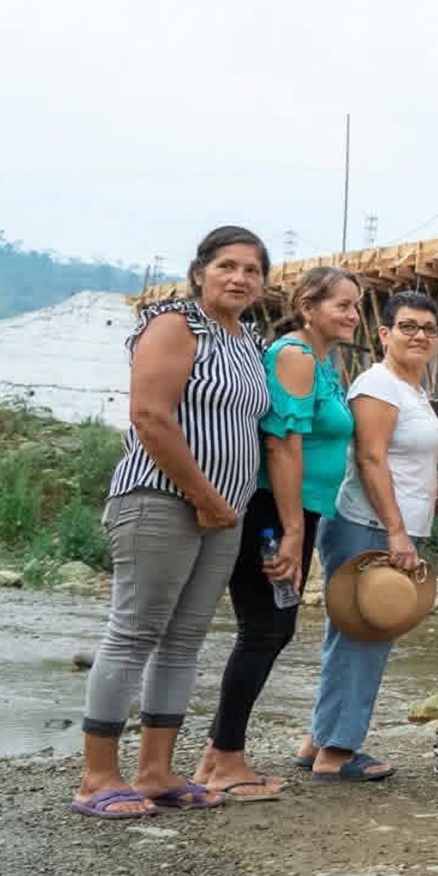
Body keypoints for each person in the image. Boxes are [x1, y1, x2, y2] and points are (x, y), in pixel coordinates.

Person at [72, 226, 271, 819]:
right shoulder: (176, 325)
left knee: (184, 640)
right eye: (227, 265)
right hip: (161, 499)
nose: (239, 278)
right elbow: (150, 416)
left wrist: (224, 506)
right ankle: (96, 778)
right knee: (134, 632)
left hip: (223, 513)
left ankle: (156, 772)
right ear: (199, 271)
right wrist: (203, 495)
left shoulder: (248, 340)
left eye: (252, 270)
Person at [196, 265, 360, 801]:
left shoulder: (320, 362)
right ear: (308, 307)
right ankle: (225, 760)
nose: (353, 315)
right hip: (273, 512)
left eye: (356, 306)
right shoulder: (294, 356)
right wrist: (291, 531)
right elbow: (281, 445)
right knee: (264, 629)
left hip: (297, 513)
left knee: (273, 628)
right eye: (342, 305)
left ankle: (217, 756)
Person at [299, 289, 438, 782]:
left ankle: (319, 740)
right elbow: (369, 458)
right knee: (366, 633)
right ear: (384, 334)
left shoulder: (411, 389)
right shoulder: (379, 384)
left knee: (352, 632)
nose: (419, 336)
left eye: (428, 329)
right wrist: (397, 531)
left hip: (388, 526)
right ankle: (338, 752)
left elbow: (401, 457)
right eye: (408, 326)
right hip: (369, 527)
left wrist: (429, 488)